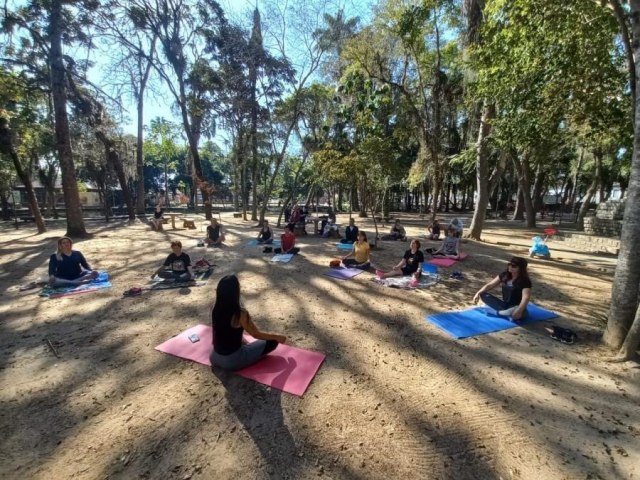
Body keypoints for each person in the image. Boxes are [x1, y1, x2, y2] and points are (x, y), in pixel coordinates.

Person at [210, 274, 286, 371]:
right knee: (272, 342)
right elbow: (255, 334)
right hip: (231, 361)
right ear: (236, 291)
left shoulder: (215, 308)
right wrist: (277, 337)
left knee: (235, 334)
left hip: (214, 357)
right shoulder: (240, 313)